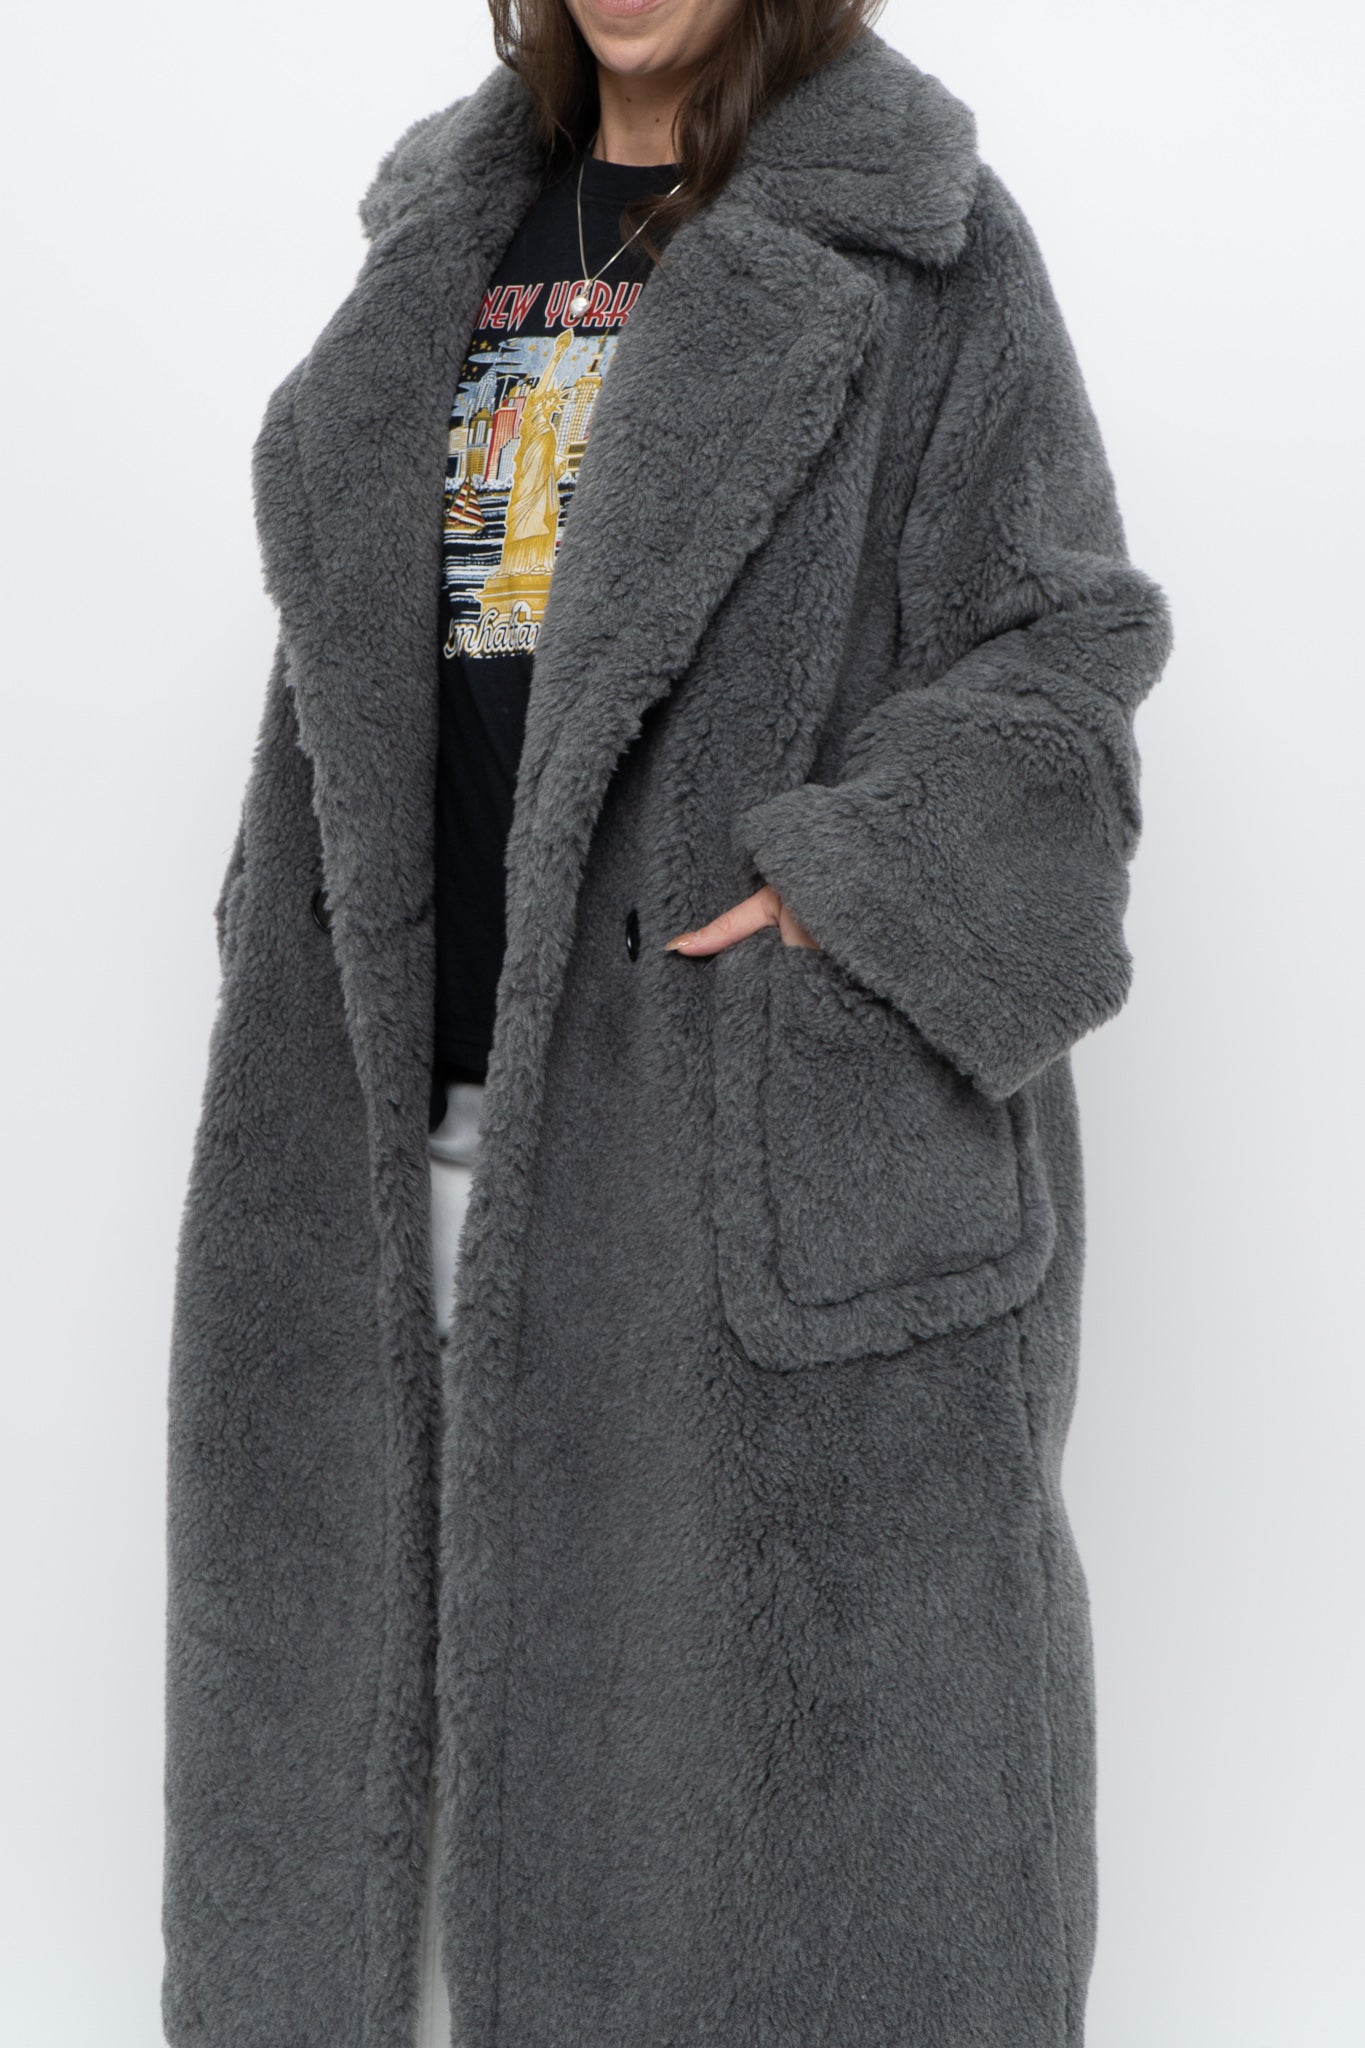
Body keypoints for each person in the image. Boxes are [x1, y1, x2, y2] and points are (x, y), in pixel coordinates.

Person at [161, 3, 1173, 2044]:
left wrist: (853, 879)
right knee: (373, 1821)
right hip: (392, 1133)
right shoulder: (443, 229)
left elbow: (1066, 650)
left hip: (726, 1141)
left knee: (756, 1854)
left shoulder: (923, 244)